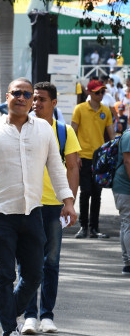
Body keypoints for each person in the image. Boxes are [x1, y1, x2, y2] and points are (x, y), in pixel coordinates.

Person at [0, 78, 76, 336]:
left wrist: (68, 202)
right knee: (3, 274)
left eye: (27, 94)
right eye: (17, 93)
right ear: (6, 97)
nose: (23, 98)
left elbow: (57, 169)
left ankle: (9, 313)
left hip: (32, 212)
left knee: (35, 273)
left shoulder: (45, 131)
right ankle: (10, 333)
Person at [21, 82, 80, 335]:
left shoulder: (65, 132)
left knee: (51, 262)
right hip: (29, 204)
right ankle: (29, 316)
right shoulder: (22, 128)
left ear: (54, 103)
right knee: (27, 261)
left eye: (42, 99)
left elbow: (73, 167)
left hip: (55, 206)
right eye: (34, 98)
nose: (36, 103)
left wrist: (70, 202)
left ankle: (47, 315)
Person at [71, 79, 115, 239]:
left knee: (97, 193)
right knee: (86, 191)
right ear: (89, 93)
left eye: (103, 91)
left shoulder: (106, 110)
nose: (101, 94)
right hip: (83, 157)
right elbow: (73, 133)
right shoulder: (80, 109)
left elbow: (111, 135)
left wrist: (112, 155)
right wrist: (75, 155)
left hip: (100, 159)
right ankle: (83, 227)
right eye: (97, 92)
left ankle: (94, 228)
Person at [112, 116, 130, 275]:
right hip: (124, 187)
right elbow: (128, 162)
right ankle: (128, 262)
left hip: (124, 186)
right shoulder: (129, 135)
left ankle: (127, 263)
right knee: (128, 222)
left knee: (127, 223)